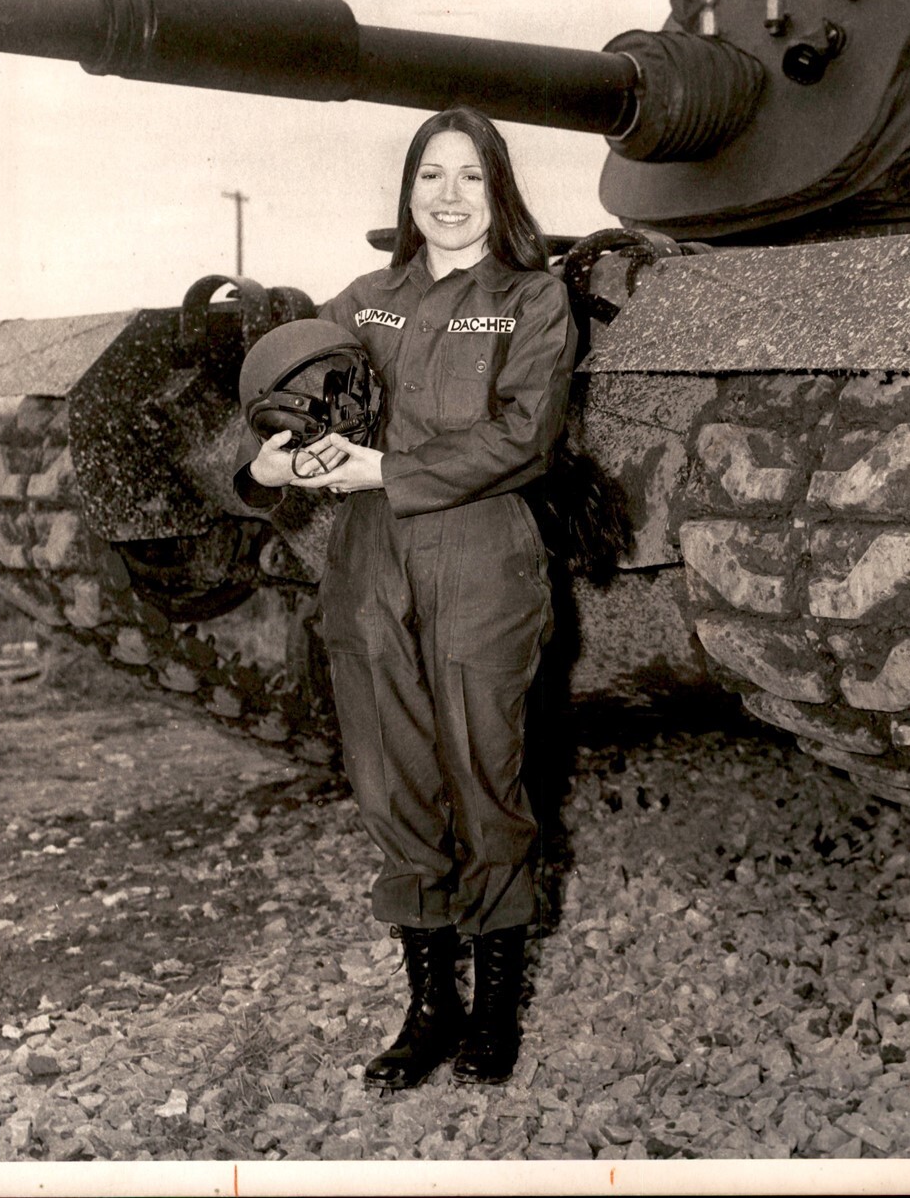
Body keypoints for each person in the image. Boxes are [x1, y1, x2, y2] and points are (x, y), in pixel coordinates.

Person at [235, 106, 578, 1089]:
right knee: (391, 781)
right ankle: (430, 1007)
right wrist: (269, 461)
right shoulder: (362, 300)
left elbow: (524, 438)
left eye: (470, 176)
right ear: (408, 189)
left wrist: (386, 468)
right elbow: (295, 397)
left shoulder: (531, 298)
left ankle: (494, 1009)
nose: (449, 195)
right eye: (432, 174)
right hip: (368, 566)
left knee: (483, 772)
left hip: (481, 559)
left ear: (498, 191)